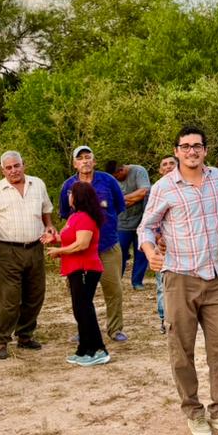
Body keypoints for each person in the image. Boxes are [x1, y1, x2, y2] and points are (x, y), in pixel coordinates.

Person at [140, 124, 218, 435]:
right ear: (177, 151)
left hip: (215, 278)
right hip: (179, 278)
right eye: (185, 146)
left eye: (197, 146)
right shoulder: (164, 187)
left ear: (205, 150)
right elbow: (146, 227)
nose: (191, 151)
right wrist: (150, 252)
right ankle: (194, 412)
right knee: (181, 349)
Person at [0, 151, 57, 359]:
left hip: (35, 246)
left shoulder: (37, 184)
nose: (13, 170)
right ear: (2, 170)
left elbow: (46, 210)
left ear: (24, 165)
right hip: (8, 249)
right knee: (9, 297)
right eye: (9, 167)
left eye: (16, 166)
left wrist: (49, 225)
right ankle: (1, 340)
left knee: (35, 294)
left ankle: (25, 335)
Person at [59, 147, 127, 343]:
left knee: (113, 289)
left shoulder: (108, 181)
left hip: (107, 245)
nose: (85, 161)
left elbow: (119, 207)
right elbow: (66, 214)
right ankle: (84, 328)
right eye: (80, 158)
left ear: (94, 161)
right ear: (75, 164)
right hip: (79, 249)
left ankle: (115, 329)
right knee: (80, 293)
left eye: (88, 157)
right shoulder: (68, 186)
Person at [47, 181, 109, 367]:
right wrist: (55, 239)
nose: (69, 196)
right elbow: (71, 237)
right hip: (75, 268)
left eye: (71, 193)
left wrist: (59, 251)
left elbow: (82, 243)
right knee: (80, 309)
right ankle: (84, 349)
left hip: (85, 269)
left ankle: (98, 350)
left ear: (78, 197)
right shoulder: (74, 216)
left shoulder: (84, 217)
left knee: (84, 310)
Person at [106, 160, 151, 290]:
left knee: (141, 252)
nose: (116, 180)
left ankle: (137, 282)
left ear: (121, 170)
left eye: (117, 176)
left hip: (142, 221)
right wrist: (133, 198)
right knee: (119, 252)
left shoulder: (138, 171)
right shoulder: (111, 179)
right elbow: (112, 201)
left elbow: (144, 191)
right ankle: (116, 281)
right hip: (122, 222)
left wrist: (121, 199)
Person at [154, 154, 176, 333]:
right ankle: (164, 319)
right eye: (165, 164)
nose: (168, 166)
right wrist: (157, 238)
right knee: (162, 285)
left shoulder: (188, 187)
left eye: (171, 163)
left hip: (181, 247)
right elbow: (148, 221)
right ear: (160, 170)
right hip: (161, 246)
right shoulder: (156, 190)